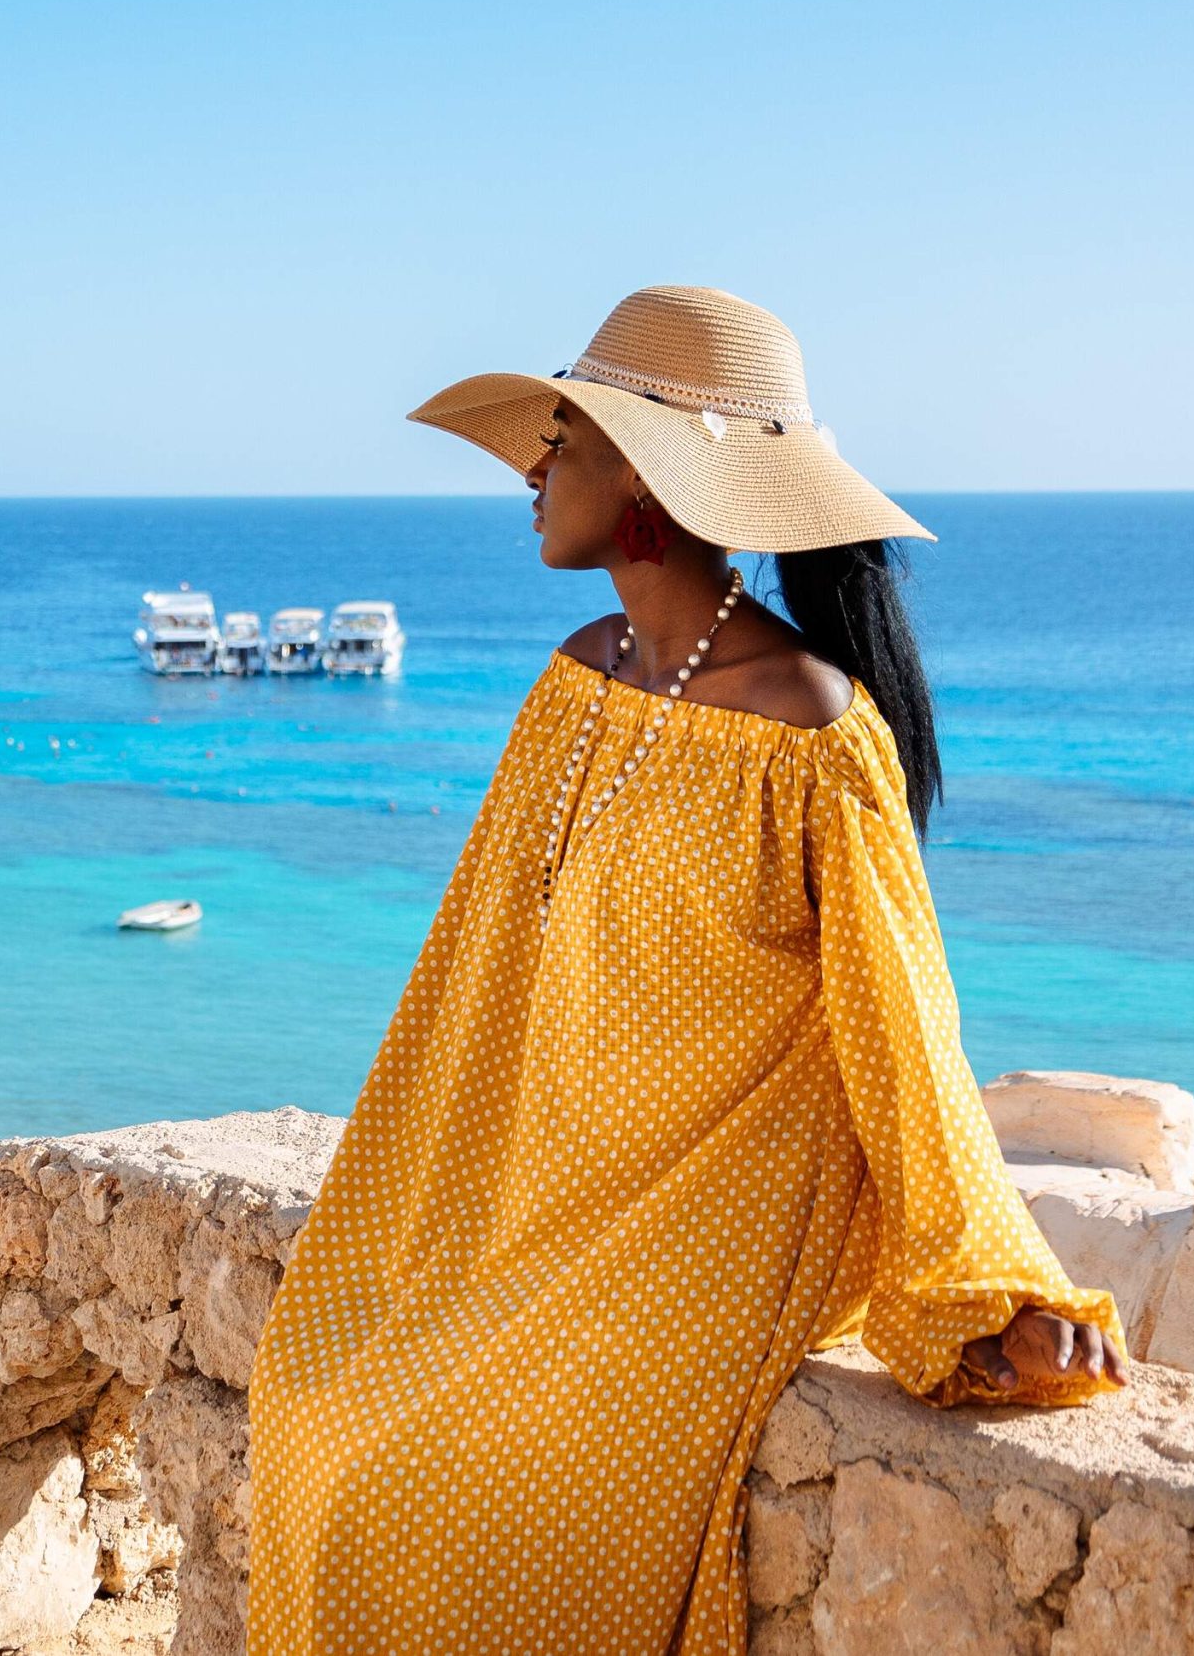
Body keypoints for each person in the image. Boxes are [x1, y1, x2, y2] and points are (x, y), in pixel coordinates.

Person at [243, 288, 1126, 1654]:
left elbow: (905, 1031)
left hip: (714, 1224)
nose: (533, 470)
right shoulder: (574, 684)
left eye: (566, 438)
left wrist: (996, 1285)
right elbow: (472, 979)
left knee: (418, 1476)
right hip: (550, 1197)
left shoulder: (814, 734)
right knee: (313, 1393)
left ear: (655, 475)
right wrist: (422, 1204)